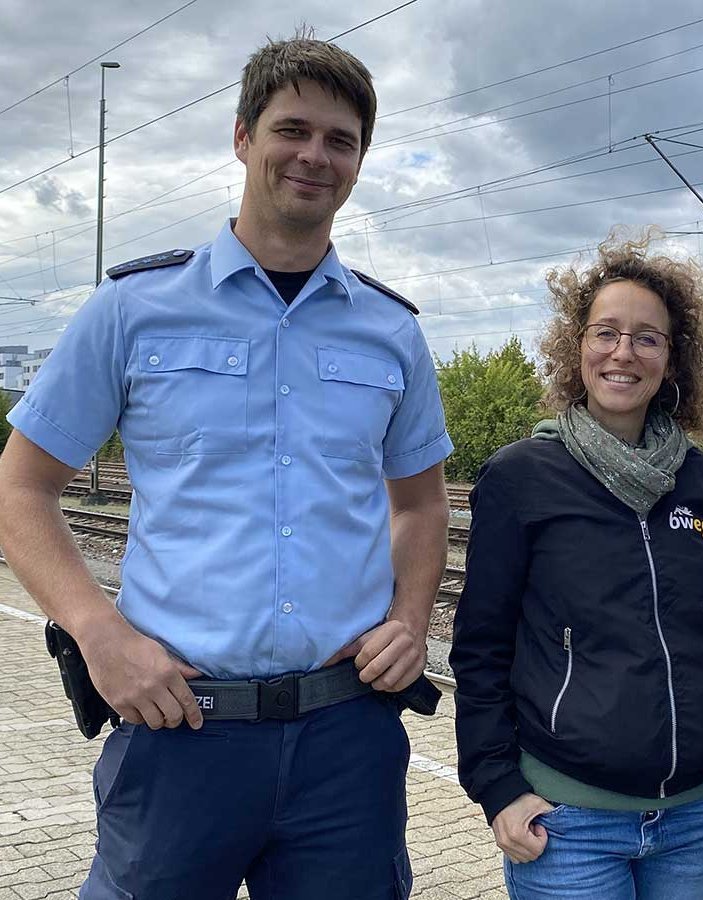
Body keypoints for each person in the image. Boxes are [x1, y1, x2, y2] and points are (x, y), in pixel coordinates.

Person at [0, 35, 452, 900]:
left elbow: (421, 506)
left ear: (358, 161)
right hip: (177, 729)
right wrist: (100, 636)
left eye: (341, 139)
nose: (315, 155)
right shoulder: (133, 311)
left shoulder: (391, 332)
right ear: (242, 136)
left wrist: (410, 617)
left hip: (344, 740)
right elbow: (21, 488)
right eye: (293, 129)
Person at [450, 234, 703, 900]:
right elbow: (480, 648)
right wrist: (498, 789)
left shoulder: (698, 479)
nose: (623, 353)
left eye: (646, 338)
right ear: (577, 347)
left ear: (672, 358)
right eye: (606, 332)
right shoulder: (521, 477)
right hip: (568, 824)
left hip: (700, 820)